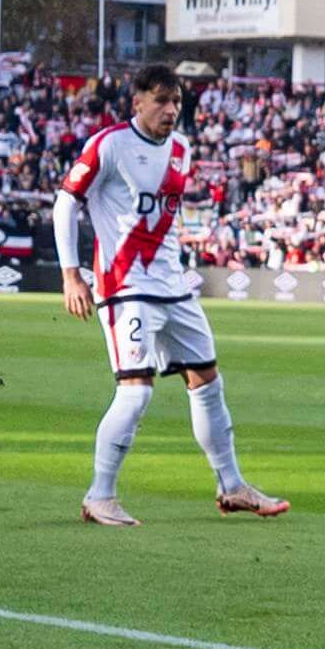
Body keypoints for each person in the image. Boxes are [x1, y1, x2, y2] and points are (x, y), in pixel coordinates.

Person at [53, 65, 285, 527]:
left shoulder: (181, 148)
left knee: (208, 383)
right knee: (135, 392)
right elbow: (66, 202)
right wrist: (71, 275)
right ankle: (100, 496)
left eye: (176, 101)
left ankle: (232, 486)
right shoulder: (109, 145)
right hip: (126, 288)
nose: (171, 109)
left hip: (174, 287)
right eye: (161, 100)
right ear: (137, 102)